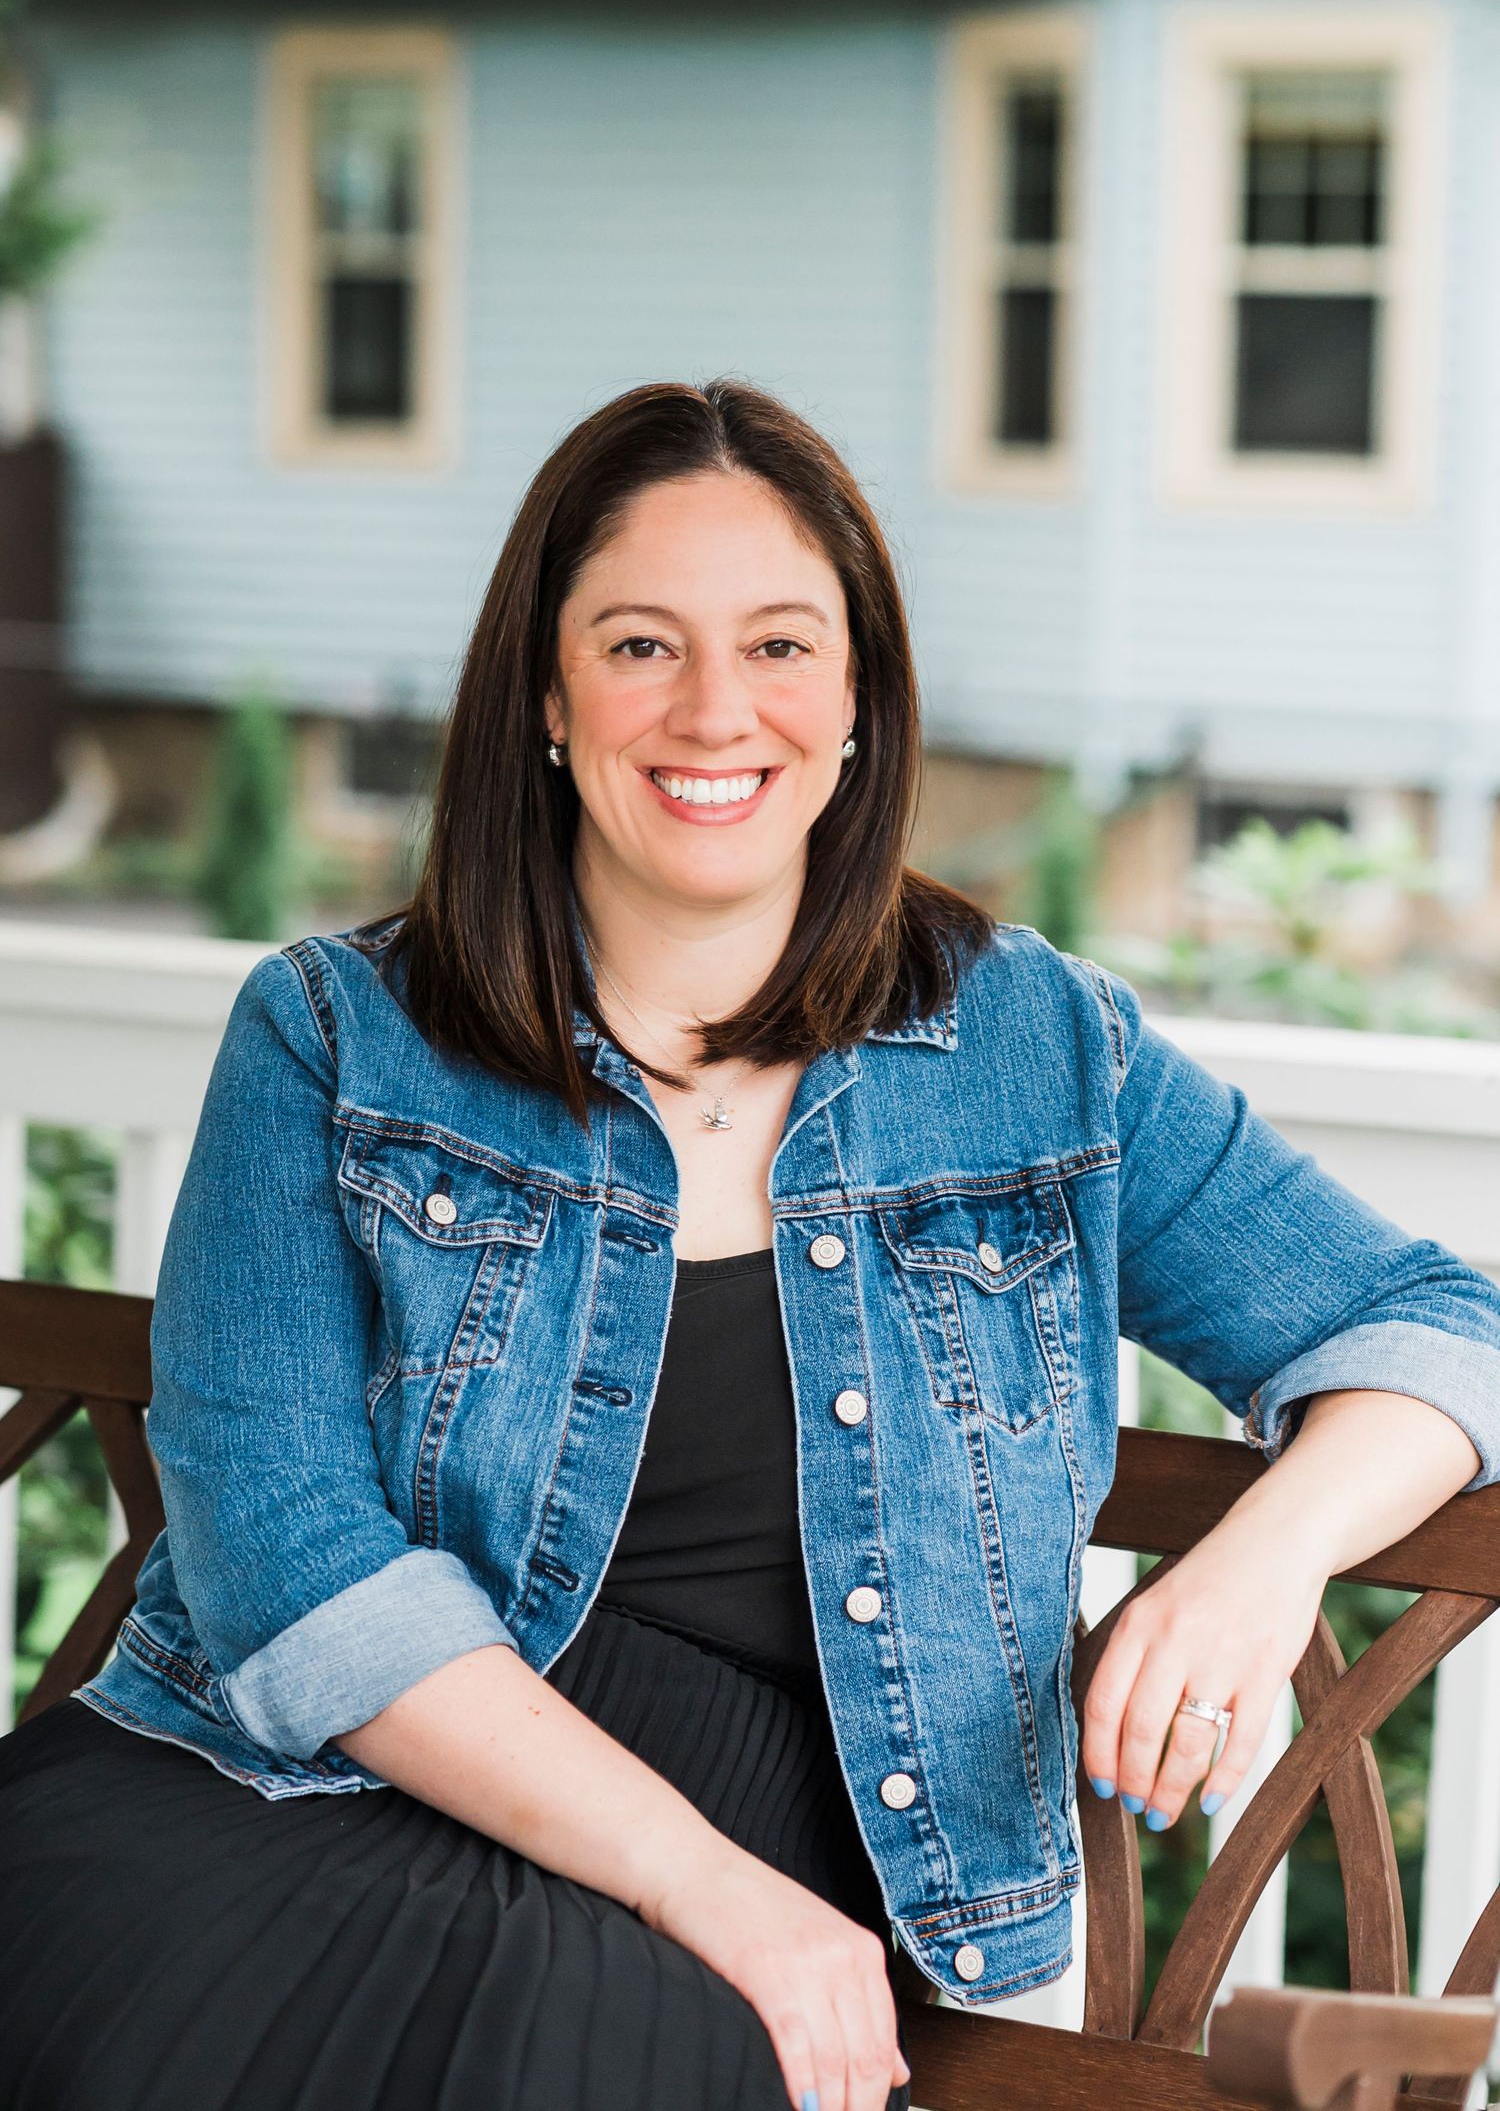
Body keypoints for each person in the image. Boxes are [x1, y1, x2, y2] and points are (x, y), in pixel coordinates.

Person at [3, 378, 1499, 2111]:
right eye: (642, 644)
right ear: (547, 698)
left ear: (857, 700)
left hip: (777, 1848)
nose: (719, 709)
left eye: (784, 644)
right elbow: (283, 1553)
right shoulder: (336, 1040)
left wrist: (1263, 1561)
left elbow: (1436, 1323)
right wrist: (704, 1887)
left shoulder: (1029, 1051)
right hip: (311, 1782)